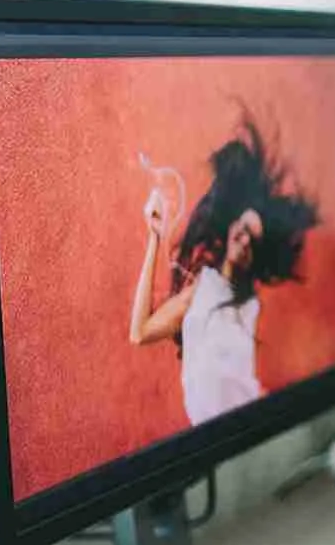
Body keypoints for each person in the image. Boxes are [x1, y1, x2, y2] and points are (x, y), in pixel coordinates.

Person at [129, 113, 319, 425]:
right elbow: (140, 333)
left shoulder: (250, 305)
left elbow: (238, 380)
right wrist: (154, 238)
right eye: (243, 229)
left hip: (244, 429)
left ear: (256, 258)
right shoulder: (203, 288)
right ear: (231, 224)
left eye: (253, 243)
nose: (244, 241)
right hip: (213, 435)